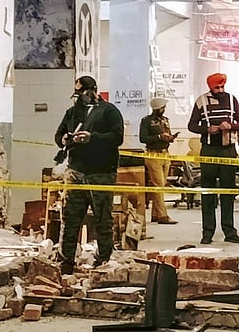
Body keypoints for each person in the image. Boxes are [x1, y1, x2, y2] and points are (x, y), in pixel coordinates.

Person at [55, 75, 124, 274]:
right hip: (75, 172)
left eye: (84, 93)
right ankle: (66, 260)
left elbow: (116, 137)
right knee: (70, 217)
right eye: (78, 94)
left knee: (102, 218)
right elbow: (58, 135)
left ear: (93, 90)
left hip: (100, 172)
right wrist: (65, 140)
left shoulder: (109, 112)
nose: (81, 98)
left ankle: (104, 259)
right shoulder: (72, 113)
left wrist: (92, 138)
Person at [188, 72, 239, 244]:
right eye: (217, 87)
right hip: (209, 151)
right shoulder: (201, 101)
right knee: (208, 193)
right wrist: (207, 129)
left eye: (222, 86)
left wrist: (231, 126)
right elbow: (191, 125)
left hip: (228, 151)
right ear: (210, 87)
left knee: (228, 192)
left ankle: (229, 232)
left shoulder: (231, 99)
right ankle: (207, 233)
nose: (220, 90)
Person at [139, 97, 178, 225]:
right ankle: (163, 215)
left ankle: (155, 214)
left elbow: (168, 134)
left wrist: (170, 137)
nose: (164, 109)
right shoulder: (146, 121)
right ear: (156, 108)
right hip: (153, 155)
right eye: (162, 107)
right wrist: (159, 137)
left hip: (165, 154)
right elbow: (143, 138)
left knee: (160, 184)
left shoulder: (166, 120)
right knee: (159, 185)